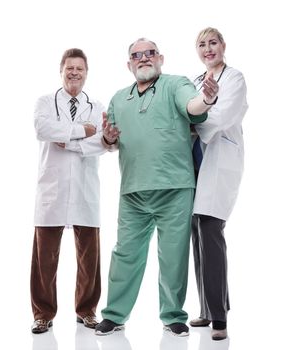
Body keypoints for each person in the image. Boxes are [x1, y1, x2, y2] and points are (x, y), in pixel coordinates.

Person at [96, 38, 219, 337]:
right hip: (133, 191)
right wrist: (109, 138)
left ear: (160, 58)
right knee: (125, 254)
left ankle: (173, 315)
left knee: (173, 255)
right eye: (136, 55)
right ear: (129, 64)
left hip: (174, 188)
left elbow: (193, 106)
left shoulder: (175, 85)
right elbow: (108, 141)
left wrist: (208, 98)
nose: (144, 58)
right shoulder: (118, 98)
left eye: (150, 53)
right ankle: (114, 315)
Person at [30, 48, 116, 334]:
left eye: (79, 68)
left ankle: (87, 310)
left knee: (89, 256)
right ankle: (43, 313)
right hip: (52, 190)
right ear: (61, 70)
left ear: (86, 72)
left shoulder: (97, 104)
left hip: (85, 188)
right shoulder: (45, 102)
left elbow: (103, 144)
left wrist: (73, 138)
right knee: (44, 256)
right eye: (69, 67)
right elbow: (43, 129)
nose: (74, 72)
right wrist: (83, 131)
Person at [189, 27, 248, 340]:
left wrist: (194, 120)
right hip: (196, 164)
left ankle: (219, 319)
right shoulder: (196, 82)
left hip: (221, 159)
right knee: (197, 230)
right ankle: (206, 309)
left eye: (213, 43)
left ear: (223, 45)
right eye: (202, 44)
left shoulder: (234, 78)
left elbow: (221, 118)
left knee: (210, 229)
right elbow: (188, 113)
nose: (208, 48)